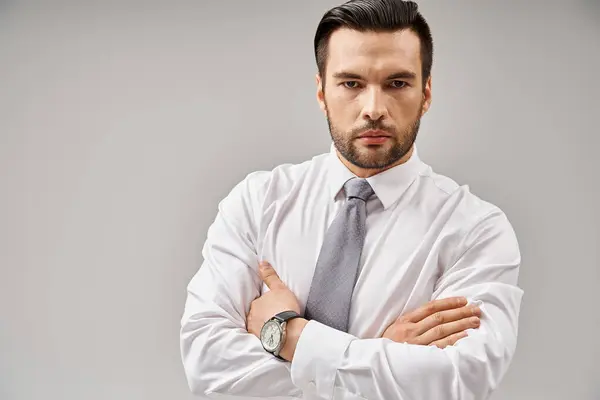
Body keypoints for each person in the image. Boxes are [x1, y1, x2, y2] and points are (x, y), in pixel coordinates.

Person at [179, 0, 524, 399]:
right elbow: (207, 365)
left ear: (425, 93)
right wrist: (381, 356)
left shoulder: (475, 230)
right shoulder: (257, 203)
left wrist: (288, 334)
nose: (374, 109)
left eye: (397, 83)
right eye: (351, 84)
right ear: (322, 92)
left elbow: (457, 383)